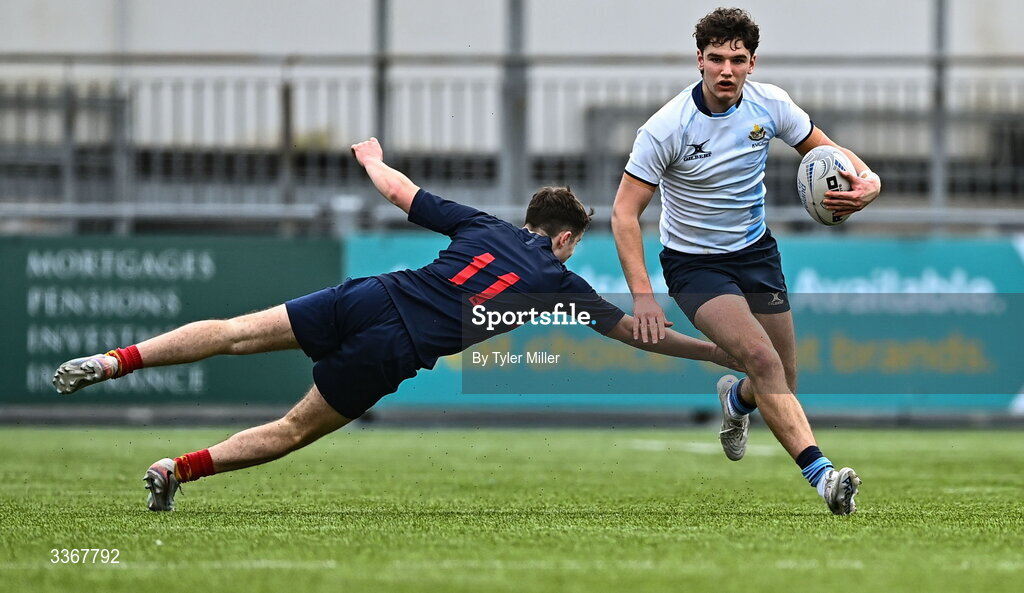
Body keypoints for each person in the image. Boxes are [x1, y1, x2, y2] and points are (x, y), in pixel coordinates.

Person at [53, 137, 740, 512]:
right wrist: (712, 348)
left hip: (372, 295)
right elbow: (636, 332)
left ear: (529, 220)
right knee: (291, 428)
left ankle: (117, 359)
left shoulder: (479, 223)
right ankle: (177, 468)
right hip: (395, 347)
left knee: (233, 331)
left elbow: (397, 190)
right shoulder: (560, 279)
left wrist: (372, 156)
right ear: (564, 238)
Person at [611, 8, 881, 515]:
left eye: (737, 59)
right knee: (762, 359)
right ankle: (824, 478)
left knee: (782, 381)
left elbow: (829, 152)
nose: (726, 70)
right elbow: (625, 214)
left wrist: (872, 182)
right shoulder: (666, 128)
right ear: (699, 60)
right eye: (716, 59)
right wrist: (643, 296)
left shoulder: (770, 104)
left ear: (753, 62)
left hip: (756, 254)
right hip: (694, 265)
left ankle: (736, 401)